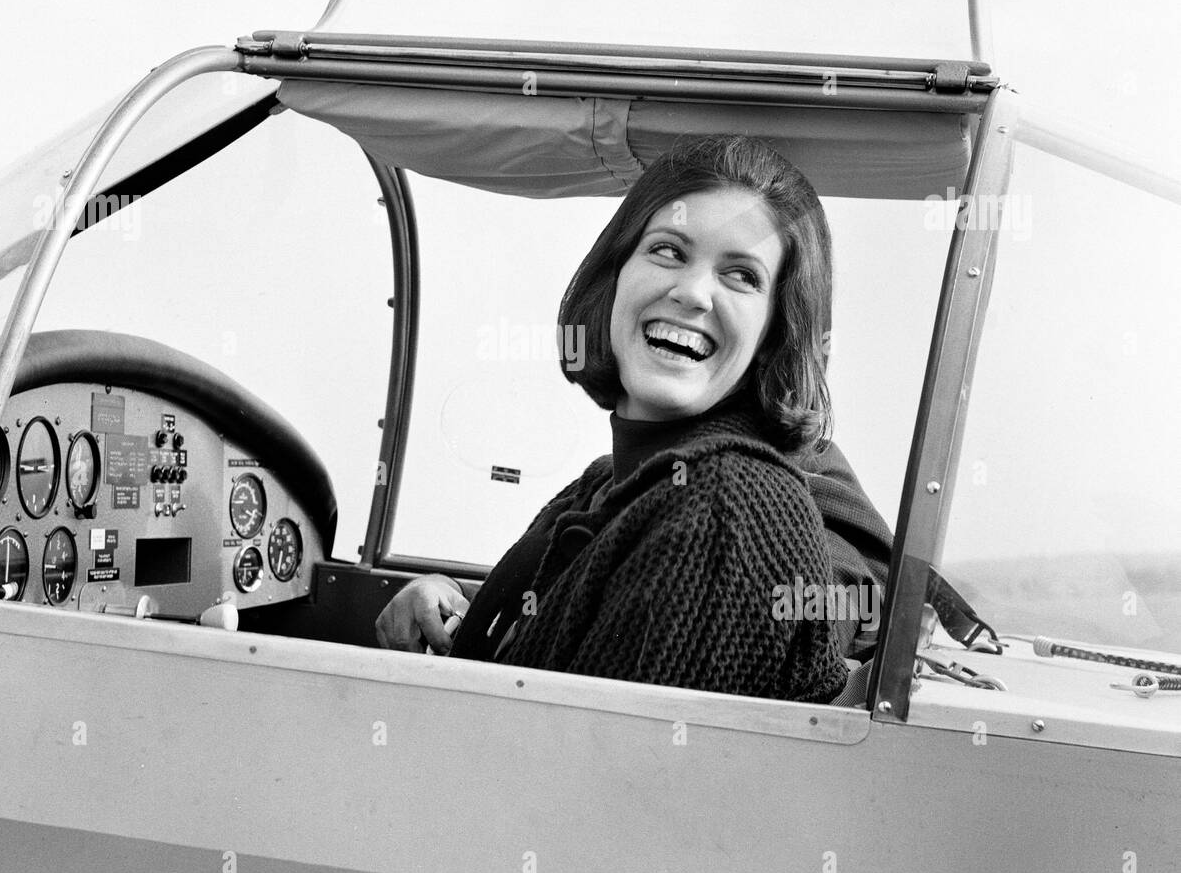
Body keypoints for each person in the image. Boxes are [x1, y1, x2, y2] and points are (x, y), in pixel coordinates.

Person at [376, 136, 879, 702]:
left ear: (773, 335)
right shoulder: (605, 484)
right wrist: (452, 603)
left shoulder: (725, 503)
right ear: (615, 274)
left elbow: (609, 776)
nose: (692, 293)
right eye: (668, 250)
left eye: (741, 275)